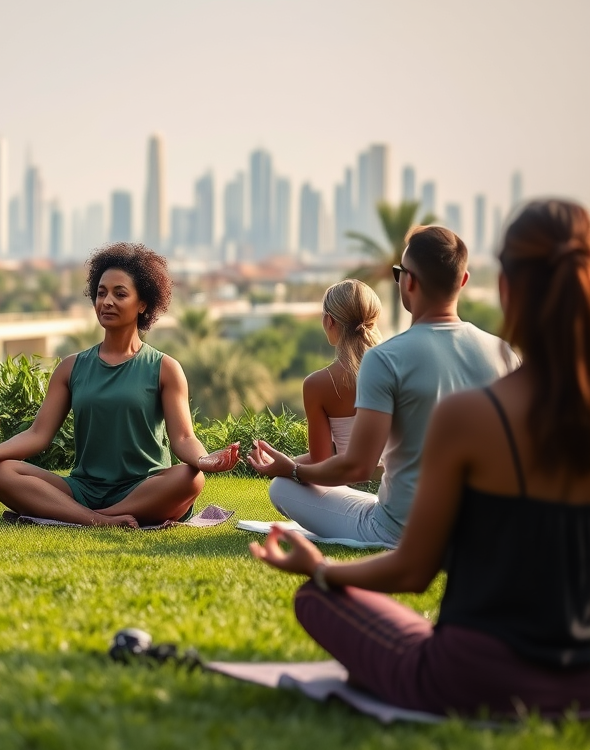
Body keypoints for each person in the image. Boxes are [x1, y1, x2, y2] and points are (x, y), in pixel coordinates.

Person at [250, 199, 590, 717]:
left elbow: (411, 568)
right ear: (467, 281)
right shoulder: (508, 361)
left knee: (313, 597)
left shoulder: (461, 410)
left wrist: (317, 567)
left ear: (503, 288)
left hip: (471, 677)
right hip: (579, 681)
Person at [249, 225, 520, 545]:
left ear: (408, 281)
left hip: (400, 529)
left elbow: (358, 467)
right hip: (479, 526)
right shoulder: (504, 354)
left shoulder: (387, 359)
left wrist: (292, 470)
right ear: (463, 280)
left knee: (281, 488)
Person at [0, 242, 240, 527]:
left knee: (191, 478)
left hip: (146, 487)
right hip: (83, 489)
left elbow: (184, 439)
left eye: (120, 294)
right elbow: (37, 434)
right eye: (101, 293)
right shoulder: (71, 368)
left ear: (143, 304)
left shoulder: (165, 369)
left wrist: (204, 460)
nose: (107, 301)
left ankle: (83, 515)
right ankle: (97, 519)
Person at [298, 279, 382, 464]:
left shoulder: (318, 383)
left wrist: (285, 465)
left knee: (280, 485)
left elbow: (321, 462)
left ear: (329, 321)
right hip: (404, 486)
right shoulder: (400, 366)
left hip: (349, 487)